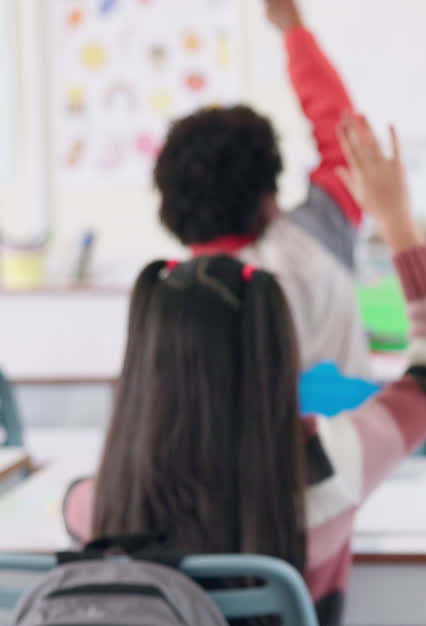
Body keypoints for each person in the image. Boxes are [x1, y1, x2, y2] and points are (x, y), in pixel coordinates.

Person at [62, 117, 426, 626]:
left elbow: (70, 504)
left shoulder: (105, 502)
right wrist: (397, 220)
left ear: (144, 368)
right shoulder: (328, 465)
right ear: (276, 351)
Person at [152, 0, 371, 377]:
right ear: (268, 200)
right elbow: (344, 136)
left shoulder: (174, 297)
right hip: (352, 433)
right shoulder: (313, 241)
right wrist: (293, 30)